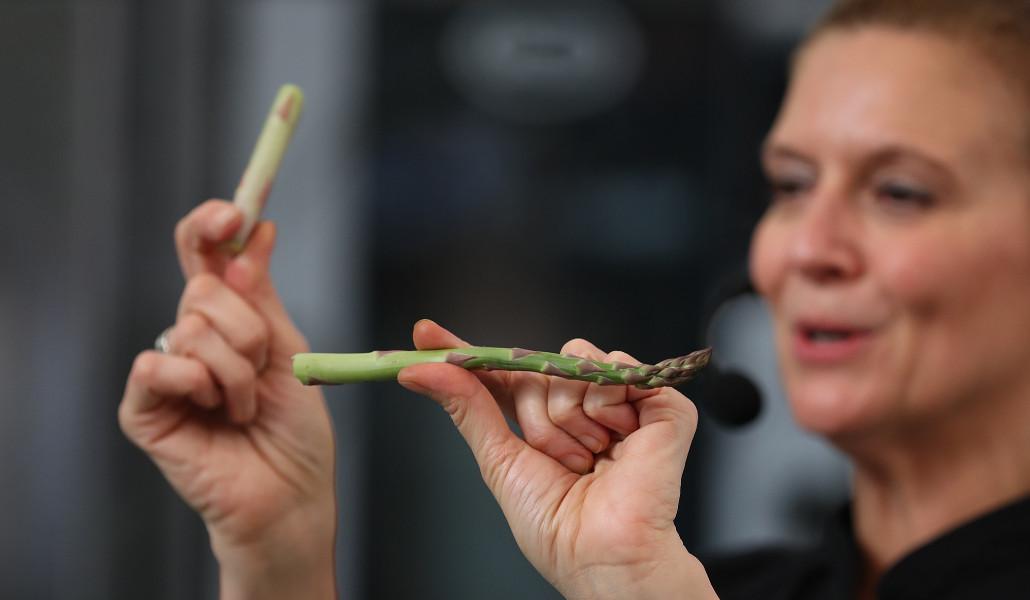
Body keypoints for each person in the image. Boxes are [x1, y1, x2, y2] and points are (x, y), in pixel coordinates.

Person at [119, 0, 1030, 597]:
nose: (803, 248)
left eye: (899, 192)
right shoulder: (726, 586)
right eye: (791, 186)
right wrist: (281, 546)